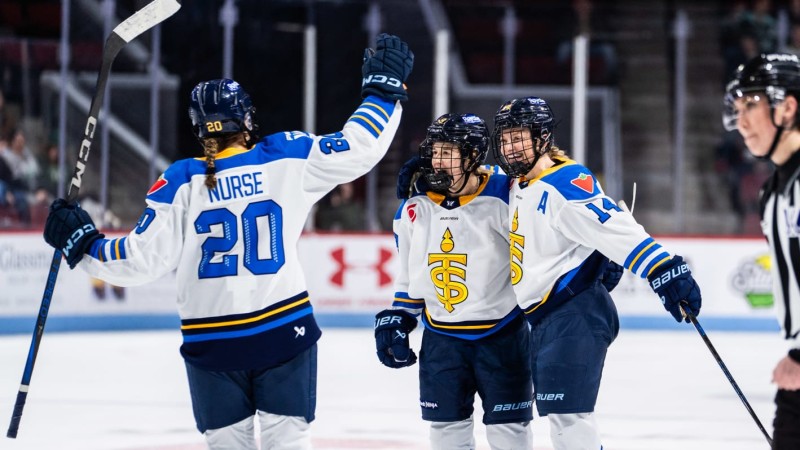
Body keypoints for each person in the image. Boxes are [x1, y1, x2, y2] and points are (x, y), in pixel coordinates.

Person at [41, 33, 413, 449]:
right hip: (283, 333)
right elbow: (360, 146)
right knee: (288, 442)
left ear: (200, 129)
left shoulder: (180, 181)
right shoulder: (285, 156)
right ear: (246, 119)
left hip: (213, 343)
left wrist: (82, 242)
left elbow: (137, 260)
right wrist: (383, 92)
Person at [491, 96, 702, 449]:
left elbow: (615, 227)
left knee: (569, 419)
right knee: (562, 421)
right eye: (506, 139)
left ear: (542, 137)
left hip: (575, 313)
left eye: (519, 137)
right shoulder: (518, 184)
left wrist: (664, 269)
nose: (511, 148)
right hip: (546, 318)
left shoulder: (565, 181)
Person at [375, 113, 533, 449]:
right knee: (447, 435)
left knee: (509, 435)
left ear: (473, 155)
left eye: (448, 152)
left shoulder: (508, 194)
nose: (437, 160)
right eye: (435, 151)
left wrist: (591, 258)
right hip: (442, 340)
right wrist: (400, 316)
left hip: (502, 336)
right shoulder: (414, 205)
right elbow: (409, 272)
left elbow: (552, 221)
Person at [723, 52, 800, 449]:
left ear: (788, 106)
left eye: (751, 104)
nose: (742, 120)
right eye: (737, 108)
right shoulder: (773, 192)